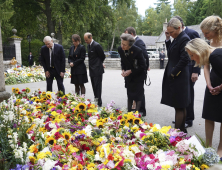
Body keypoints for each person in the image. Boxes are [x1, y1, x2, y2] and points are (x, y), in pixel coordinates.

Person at [185, 38, 222, 157]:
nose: (191, 59)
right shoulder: (212, 55)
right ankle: (209, 148)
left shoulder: (215, 56)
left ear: (198, 51)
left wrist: (220, 87)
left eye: (192, 55)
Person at [161, 18, 190, 133]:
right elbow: (172, 53)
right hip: (176, 75)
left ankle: (178, 133)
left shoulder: (184, 39)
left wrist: (173, 73)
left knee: (179, 106)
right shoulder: (177, 38)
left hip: (179, 76)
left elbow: (185, 59)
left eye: (171, 32)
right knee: (180, 105)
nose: (171, 34)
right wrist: (168, 39)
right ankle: (181, 131)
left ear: (179, 28)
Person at [172, 15, 201, 128]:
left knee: (188, 94)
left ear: (180, 25)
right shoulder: (176, 35)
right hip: (181, 70)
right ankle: (182, 118)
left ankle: (189, 119)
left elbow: (199, 52)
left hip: (190, 69)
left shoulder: (192, 33)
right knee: (182, 95)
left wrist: (195, 70)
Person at [199, 15, 222, 156]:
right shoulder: (208, 44)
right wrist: (208, 83)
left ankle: (221, 148)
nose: (205, 35)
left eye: (206, 33)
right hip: (212, 83)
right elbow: (206, 66)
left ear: (216, 29)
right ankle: (208, 146)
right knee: (209, 115)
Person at [118, 33, 146, 113]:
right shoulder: (120, 49)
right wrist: (123, 70)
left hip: (138, 75)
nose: (122, 46)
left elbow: (143, 66)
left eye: (125, 45)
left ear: (130, 45)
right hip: (129, 76)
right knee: (129, 95)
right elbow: (123, 61)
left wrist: (131, 71)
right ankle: (129, 113)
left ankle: (137, 114)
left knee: (138, 96)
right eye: (121, 44)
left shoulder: (137, 51)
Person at [124, 27, 149, 116]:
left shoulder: (139, 42)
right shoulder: (127, 44)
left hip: (138, 72)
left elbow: (145, 56)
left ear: (131, 34)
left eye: (126, 34)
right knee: (133, 91)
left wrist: (146, 67)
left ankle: (141, 110)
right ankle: (135, 109)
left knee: (139, 92)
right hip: (131, 73)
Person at [84, 32, 105, 107]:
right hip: (92, 69)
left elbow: (102, 56)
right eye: (85, 40)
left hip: (97, 69)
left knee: (98, 87)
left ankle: (99, 103)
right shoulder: (89, 46)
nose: (85, 42)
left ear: (90, 38)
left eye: (86, 40)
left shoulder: (97, 45)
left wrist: (99, 64)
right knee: (94, 86)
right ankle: (96, 100)